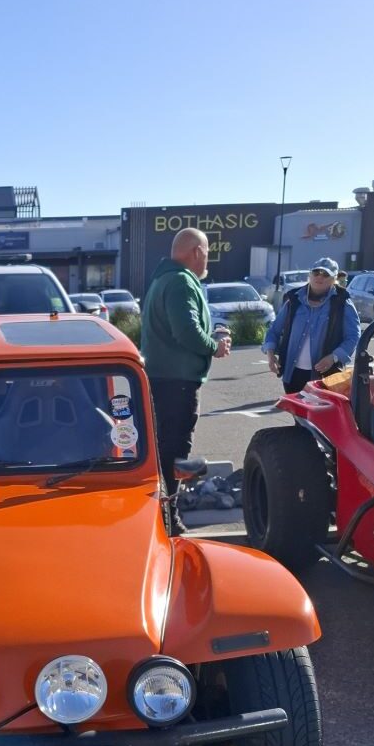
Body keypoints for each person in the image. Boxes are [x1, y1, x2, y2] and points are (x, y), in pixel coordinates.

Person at [140, 227, 231, 535]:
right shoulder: (180, 282)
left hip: (163, 379)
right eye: (206, 251)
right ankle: (169, 518)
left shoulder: (162, 279)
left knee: (164, 447)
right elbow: (186, 332)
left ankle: (163, 513)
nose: (208, 258)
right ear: (196, 252)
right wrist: (215, 345)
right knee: (174, 450)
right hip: (176, 382)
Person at [263, 257, 360, 393]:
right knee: (298, 414)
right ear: (310, 275)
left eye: (326, 274)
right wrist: (270, 353)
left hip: (325, 377)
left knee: (318, 414)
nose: (319, 277)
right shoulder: (294, 299)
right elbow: (274, 329)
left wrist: (334, 357)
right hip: (292, 375)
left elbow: (353, 336)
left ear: (334, 279)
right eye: (316, 273)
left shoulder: (342, 302)